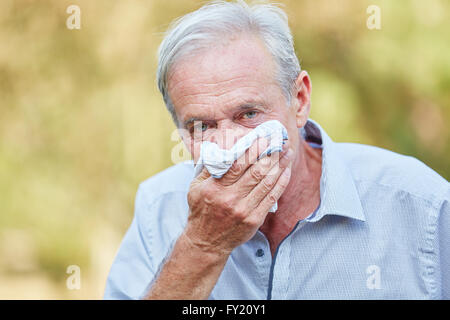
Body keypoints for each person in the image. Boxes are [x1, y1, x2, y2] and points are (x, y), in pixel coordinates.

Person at [104, 0, 449, 299]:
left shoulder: (423, 207)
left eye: (249, 114)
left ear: (299, 100)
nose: (229, 145)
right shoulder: (158, 207)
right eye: (202, 126)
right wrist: (202, 246)